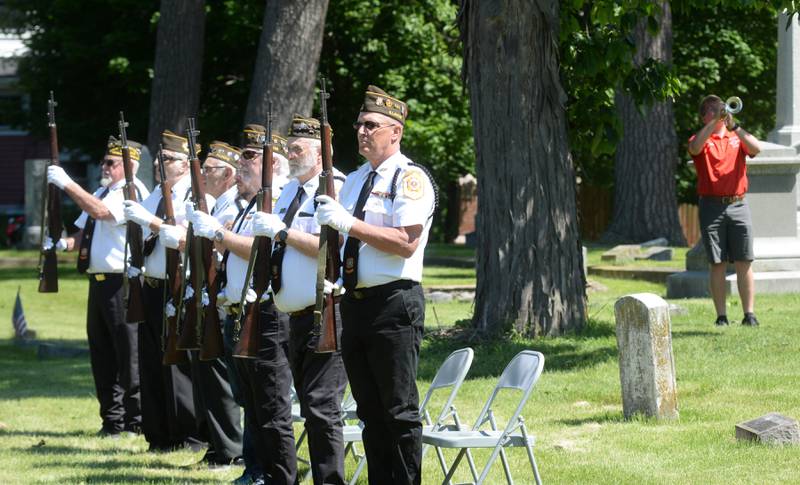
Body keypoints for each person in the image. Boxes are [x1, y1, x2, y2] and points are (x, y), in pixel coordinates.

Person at [315, 86, 436, 485]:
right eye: (359, 124)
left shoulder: (410, 178)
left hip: (393, 303)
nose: (362, 131)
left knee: (398, 410)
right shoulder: (353, 180)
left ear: (395, 132)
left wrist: (347, 223)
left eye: (372, 125)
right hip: (356, 303)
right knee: (368, 411)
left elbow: (405, 242)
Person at [187, 124, 295, 485]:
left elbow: (258, 249)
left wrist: (219, 234)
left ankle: (274, 472)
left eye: (249, 156)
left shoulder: (278, 200)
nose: (242, 162)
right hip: (239, 309)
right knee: (250, 398)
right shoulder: (248, 204)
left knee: (268, 401)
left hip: (265, 310)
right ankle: (255, 467)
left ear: (273, 164)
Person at [252, 115, 347, 484]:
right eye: (289, 147)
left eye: (297, 148)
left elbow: (331, 248)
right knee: (307, 404)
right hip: (294, 313)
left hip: (327, 312)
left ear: (322, 153)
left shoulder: (335, 188)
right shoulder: (290, 191)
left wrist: (283, 232)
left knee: (322, 406)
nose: (289, 154)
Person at [46, 136, 149, 438]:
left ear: (130, 165)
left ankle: (135, 421)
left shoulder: (131, 191)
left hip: (122, 282)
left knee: (127, 354)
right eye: (104, 161)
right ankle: (112, 421)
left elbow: (101, 214)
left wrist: (67, 184)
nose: (104, 167)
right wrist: (63, 244)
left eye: (111, 163)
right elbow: (86, 229)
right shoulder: (104, 190)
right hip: (100, 282)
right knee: (102, 354)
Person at [121, 130, 214, 454]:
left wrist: (152, 222)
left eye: (169, 159)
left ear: (188, 163)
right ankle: (159, 434)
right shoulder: (156, 196)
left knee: (180, 366)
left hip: (180, 286)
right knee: (152, 363)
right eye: (160, 159)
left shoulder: (195, 196)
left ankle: (189, 434)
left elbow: (192, 240)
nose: (161, 164)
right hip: (152, 285)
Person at [688, 95, 762, 326]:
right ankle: (721, 316)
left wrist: (735, 126)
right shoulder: (701, 138)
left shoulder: (735, 137)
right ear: (704, 117)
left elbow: (756, 148)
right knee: (717, 263)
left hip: (738, 204)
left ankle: (749, 314)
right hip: (711, 206)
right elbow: (694, 147)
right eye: (712, 109)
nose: (719, 111)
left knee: (744, 260)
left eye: (720, 107)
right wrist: (712, 125)